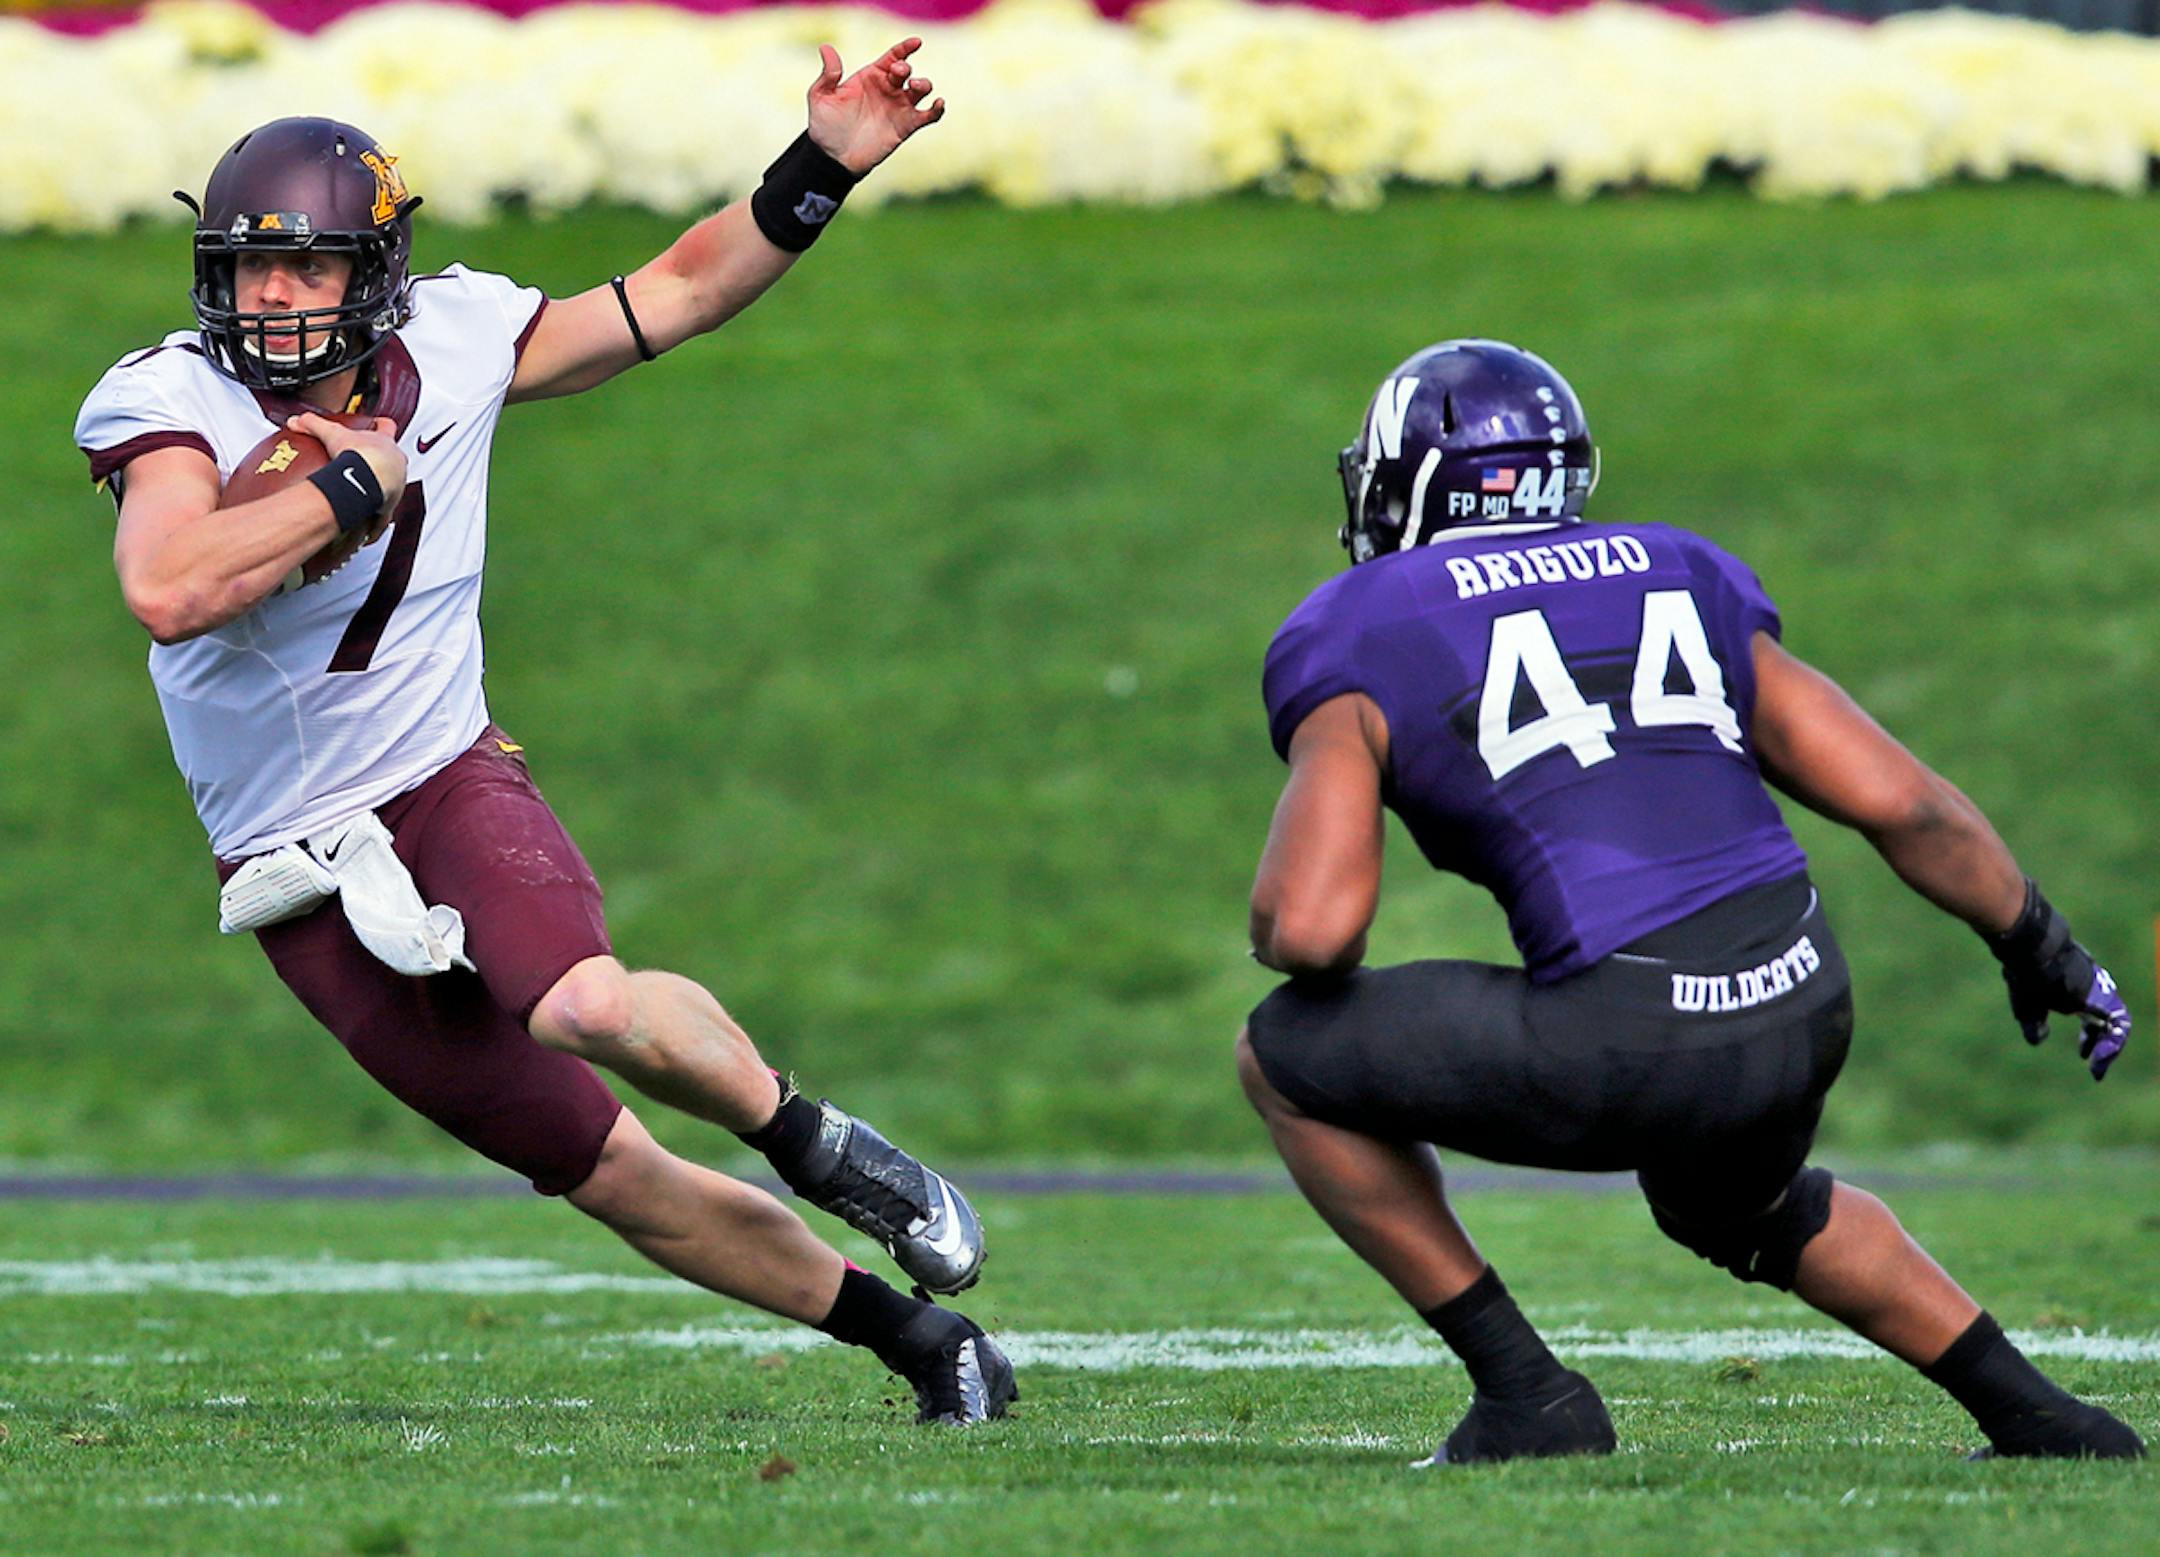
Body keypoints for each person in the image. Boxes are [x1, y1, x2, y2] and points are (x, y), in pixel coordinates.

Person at [74, 42, 1014, 1426]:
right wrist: (346, 484)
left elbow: (681, 289)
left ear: (376, 274)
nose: (272, 298)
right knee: (605, 1168)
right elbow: (168, 587)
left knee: (586, 1001)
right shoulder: (167, 399)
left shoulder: (452, 338)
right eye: (249, 268)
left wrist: (820, 168)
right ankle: (926, 1347)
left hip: (440, 774)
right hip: (289, 858)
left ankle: (815, 1140)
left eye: (309, 268)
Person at [1237, 339, 2142, 1464]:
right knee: (1740, 1203)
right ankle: (2045, 1421)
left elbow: (1316, 930)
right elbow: (1906, 805)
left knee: (1283, 1054)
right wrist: (2039, 945)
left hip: (1631, 1031)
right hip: (1801, 1000)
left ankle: (1529, 1398)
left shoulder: (1362, 618)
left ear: (1413, 480)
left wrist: (1277, 910)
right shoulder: (1680, 566)